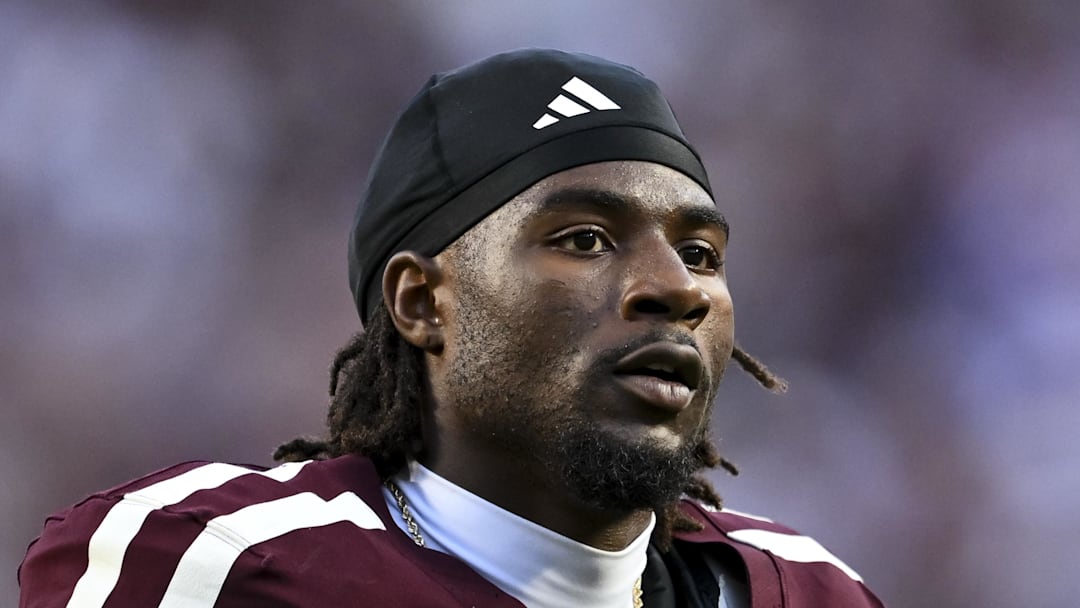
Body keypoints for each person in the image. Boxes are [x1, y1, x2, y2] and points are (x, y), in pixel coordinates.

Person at [19, 48, 885, 608]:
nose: (675, 289)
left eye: (700, 252)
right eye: (584, 240)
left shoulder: (811, 591)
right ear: (422, 303)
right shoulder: (221, 565)